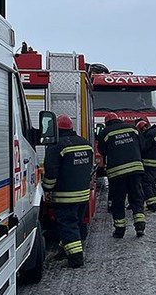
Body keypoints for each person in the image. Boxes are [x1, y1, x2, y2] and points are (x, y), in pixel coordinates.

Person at [42, 115, 94, 268]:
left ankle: (76, 259)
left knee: (68, 226)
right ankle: (63, 251)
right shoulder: (86, 143)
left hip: (65, 197)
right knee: (75, 224)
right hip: (83, 195)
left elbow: (51, 173)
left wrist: (46, 188)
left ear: (56, 130)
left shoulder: (56, 146)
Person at [97, 112, 146, 238]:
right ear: (118, 120)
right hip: (135, 170)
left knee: (118, 201)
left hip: (117, 173)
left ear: (106, 123)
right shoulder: (133, 129)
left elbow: (102, 150)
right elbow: (142, 145)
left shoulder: (105, 132)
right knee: (136, 198)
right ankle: (140, 226)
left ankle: (120, 230)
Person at [137, 117, 156, 212]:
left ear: (144, 128)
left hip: (150, 164)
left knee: (145, 184)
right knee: (151, 183)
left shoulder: (149, 134)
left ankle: (152, 206)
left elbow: (144, 147)